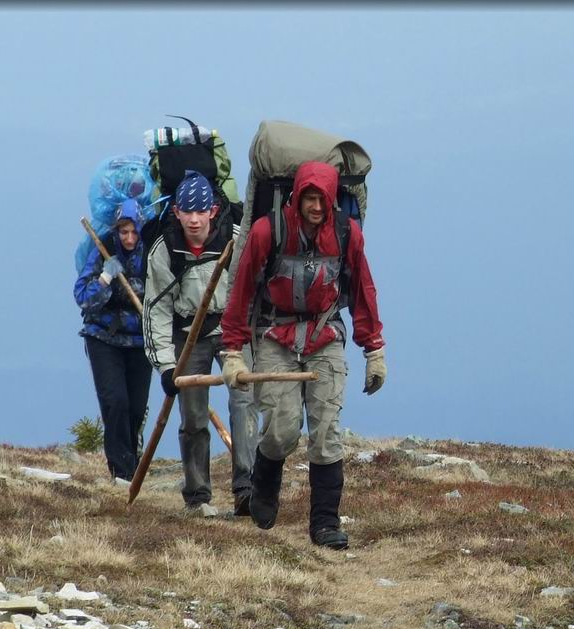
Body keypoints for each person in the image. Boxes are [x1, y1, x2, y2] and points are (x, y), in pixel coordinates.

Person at [219, 161, 385, 549]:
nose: (314, 206)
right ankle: (264, 483)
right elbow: (240, 293)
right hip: (275, 337)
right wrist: (232, 351)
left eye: (321, 199)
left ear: (330, 200)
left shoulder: (347, 234)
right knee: (282, 430)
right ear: (296, 197)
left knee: (326, 433)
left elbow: (364, 291)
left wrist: (373, 350)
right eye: (308, 198)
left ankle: (325, 524)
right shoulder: (267, 231)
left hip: (325, 337)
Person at [142, 170, 258, 517]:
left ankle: (247, 488)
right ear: (175, 211)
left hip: (231, 330)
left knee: (244, 401)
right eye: (186, 212)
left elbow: (255, 292)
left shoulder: (235, 241)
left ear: (213, 210)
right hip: (186, 335)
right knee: (193, 416)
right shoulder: (165, 251)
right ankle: (197, 495)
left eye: (200, 211)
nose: (194, 220)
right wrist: (165, 364)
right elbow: (156, 310)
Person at [74, 199, 152, 484]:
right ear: (116, 231)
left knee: (136, 406)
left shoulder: (150, 254)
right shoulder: (101, 249)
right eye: (123, 232)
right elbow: (83, 297)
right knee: (115, 401)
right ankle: (121, 470)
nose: (129, 238)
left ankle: (132, 461)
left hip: (140, 340)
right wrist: (106, 278)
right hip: (103, 338)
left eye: (134, 232)